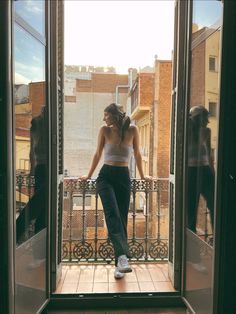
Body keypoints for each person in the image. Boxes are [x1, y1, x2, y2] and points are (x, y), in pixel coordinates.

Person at [80, 103, 152, 279]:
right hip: (105, 177)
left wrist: (143, 176)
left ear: (115, 115)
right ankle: (122, 257)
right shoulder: (104, 130)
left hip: (123, 177)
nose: (104, 118)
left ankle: (119, 265)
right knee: (112, 213)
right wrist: (89, 175)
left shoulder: (133, 130)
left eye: (106, 115)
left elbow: (137, 155)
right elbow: (97, 154)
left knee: (121, 217)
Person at [187, 105, 215, 234]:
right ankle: (191, 237)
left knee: (214, 204)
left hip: (205, 171)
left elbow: (209, 154)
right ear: (198, 118)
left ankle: (216, 234)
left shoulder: (207, 131)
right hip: (191, 172)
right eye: (205, 118)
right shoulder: (187, 131)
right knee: (191, 207)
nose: (208, 121)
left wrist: (213, 172)